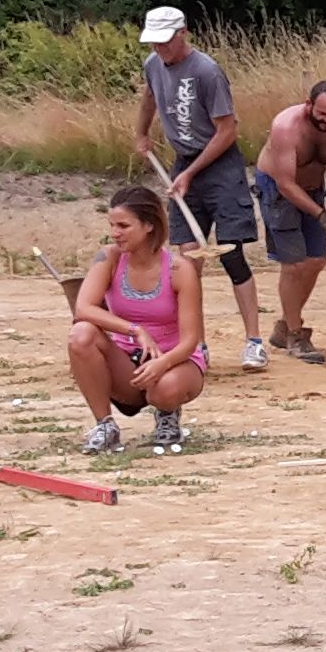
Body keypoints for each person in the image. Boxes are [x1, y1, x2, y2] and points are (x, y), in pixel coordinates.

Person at [133, 6, 268, 370]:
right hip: (185, 163)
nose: (160, 49)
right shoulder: (153, 64)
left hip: (220, 166)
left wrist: (192, 172)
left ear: (183, 33)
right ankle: (197, 344)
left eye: (165, 41)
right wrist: (142, 132)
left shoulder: (207, 72)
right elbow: (149, 97)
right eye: (154, 43)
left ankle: (254, 342)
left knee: (231, 253)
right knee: (188, 260)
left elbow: (227, 131)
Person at [63, 184, 207, 453]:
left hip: (175, 359)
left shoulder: (179, 269)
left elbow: (191, 340)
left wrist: (162, 363)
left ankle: (167, 412)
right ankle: (105, 425)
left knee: (164, 389)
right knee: (81, 334)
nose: (114, 233)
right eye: (112, 225)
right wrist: (135, 330)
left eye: (123, 226)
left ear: (149, 225)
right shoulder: (109, 258)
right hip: (127, 361)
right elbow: (83, 308)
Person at [258, 80, 326, 363]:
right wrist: (319, 214)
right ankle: (296, 334)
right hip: (278, 190)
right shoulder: (285, 127)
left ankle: (284, 326)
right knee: (294, 265)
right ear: (309, 105)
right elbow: (285, 184)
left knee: (316, 261)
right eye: (322, 114)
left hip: (314, 188)